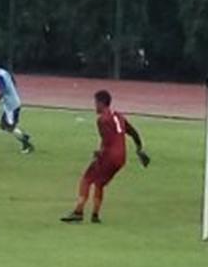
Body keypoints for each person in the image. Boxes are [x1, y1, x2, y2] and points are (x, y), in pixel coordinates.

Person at [61, 90, 150, 224]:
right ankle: (95, 215)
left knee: (86, 179)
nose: (95, 106)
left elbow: (107, 141)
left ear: (102, 103)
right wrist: (139, 149)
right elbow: (133, 132)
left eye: (96, 103)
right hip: (121, 158)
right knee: (99, 183)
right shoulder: (118, 116)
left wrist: (99, 153)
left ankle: (78, 212)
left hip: (110, 156)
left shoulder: (103, 120)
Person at [0, 61, 35, 153]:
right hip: (13, 102)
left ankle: (27, 145)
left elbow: (2, 90)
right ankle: (23, 136)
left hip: (11, 106)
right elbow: (13, 82)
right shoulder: (4, 72)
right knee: (3, 125)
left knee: (10, 127)